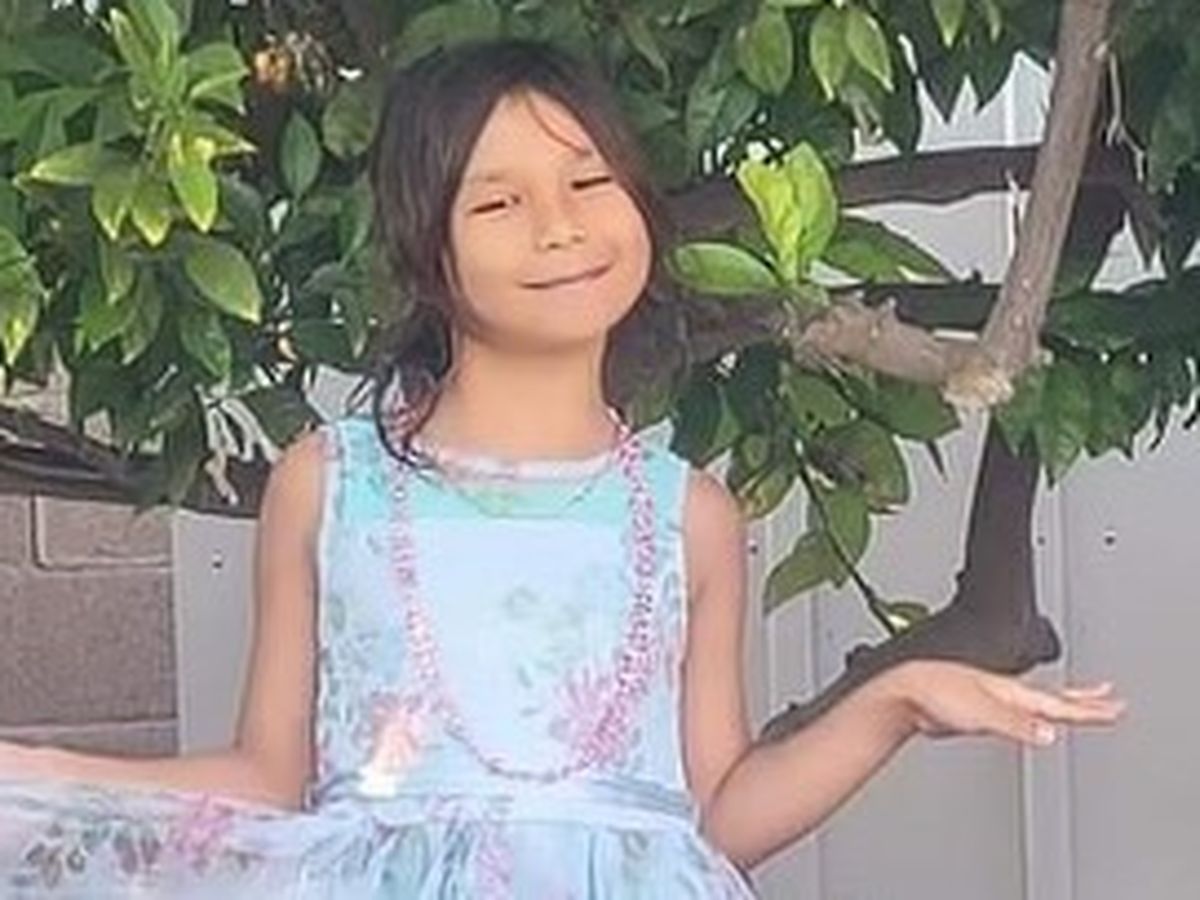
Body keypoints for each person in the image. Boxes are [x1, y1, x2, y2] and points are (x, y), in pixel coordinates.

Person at [0, 38, 1124, 898]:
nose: (558, 226)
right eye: (498, 201)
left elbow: (718, 816)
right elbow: (263, 780)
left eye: (589, 184)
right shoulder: (330, 486)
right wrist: (40, 775)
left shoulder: (689, 513)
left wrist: (894, 705)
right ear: (425, 250)